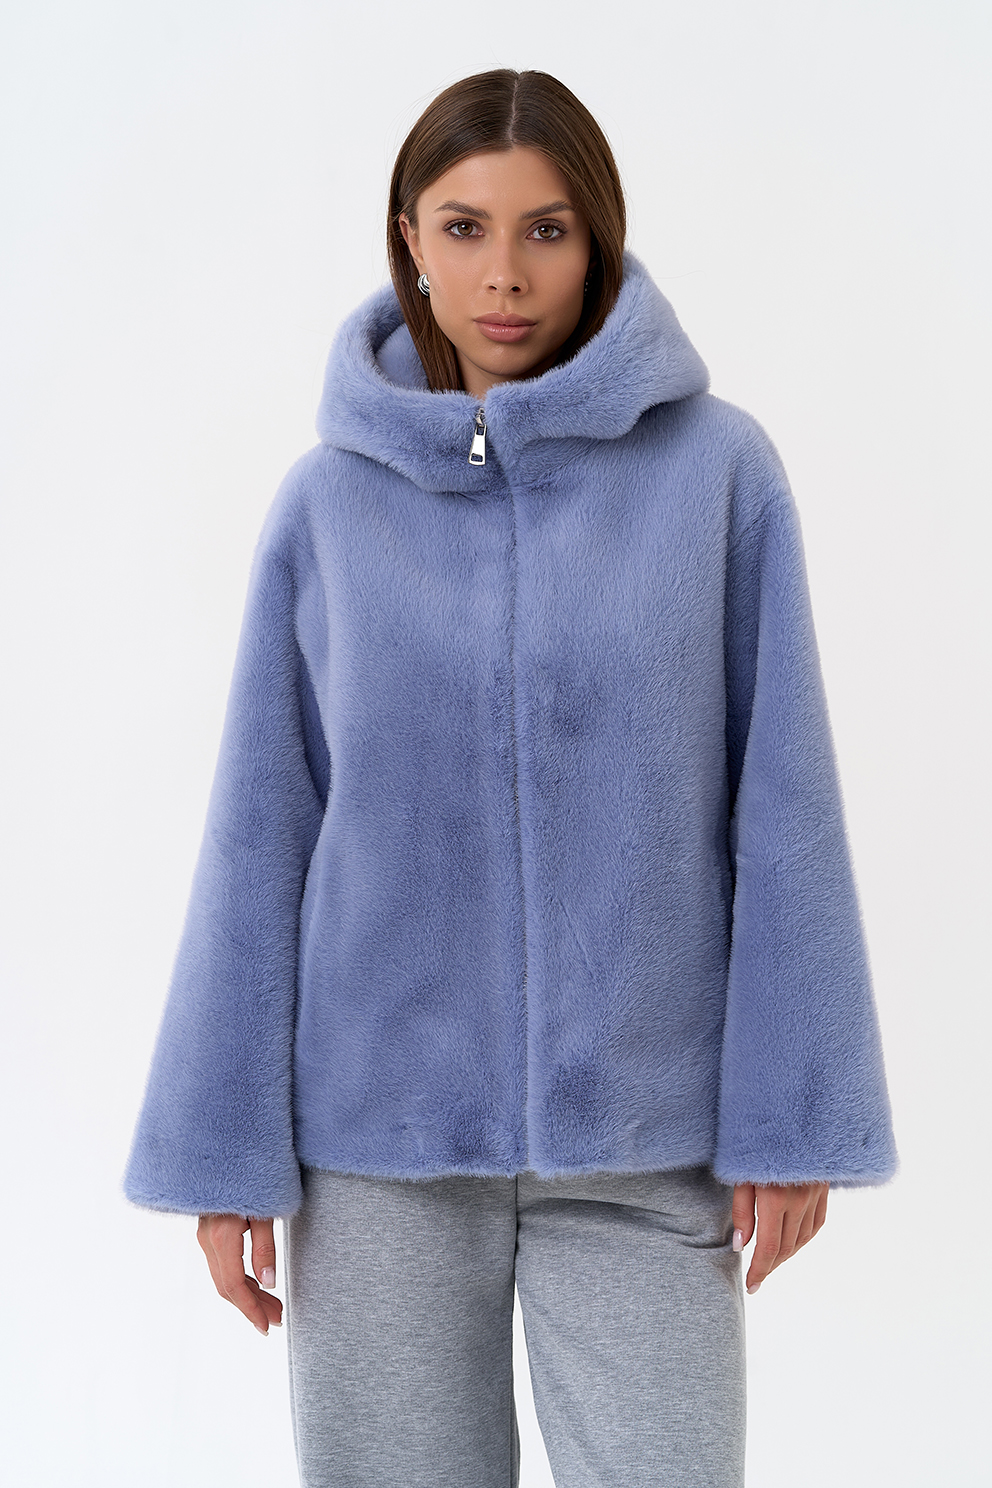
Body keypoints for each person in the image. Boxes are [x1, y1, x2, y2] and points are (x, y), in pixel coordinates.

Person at [123, 68, 898, 1487]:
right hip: (378, 1153)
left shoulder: (720, 477)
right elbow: (259, 831)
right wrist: (224, 1158)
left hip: (646, 1142)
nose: (504, 274)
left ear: (598, 239)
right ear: (409, 239)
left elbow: (783, 805)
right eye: (464, 226)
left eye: (546, 230)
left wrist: (793, 1119)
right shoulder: (327, 504)